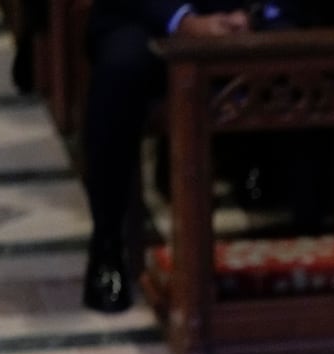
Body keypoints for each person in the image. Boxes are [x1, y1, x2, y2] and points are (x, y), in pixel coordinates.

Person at [80, 0, 305, 312]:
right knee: (121, 69)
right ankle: (107, 243)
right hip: (148, 18)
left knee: (323, 41)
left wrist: (253, 15)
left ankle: (317, 228)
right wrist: (182, 20)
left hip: (248, 14)